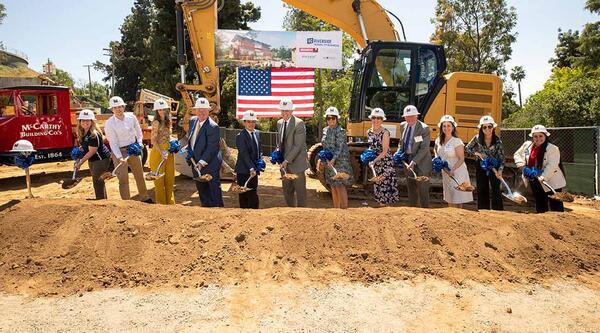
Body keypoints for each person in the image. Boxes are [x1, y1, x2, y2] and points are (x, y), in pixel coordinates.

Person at [104, 96, 152, 203]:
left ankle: (145, 197)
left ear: (123, 107)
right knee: (123, 179)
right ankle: (126, 202)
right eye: (115, 108)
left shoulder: (131, 117)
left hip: (133, 149)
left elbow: (139, 132)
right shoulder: (109, 123)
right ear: (112, 109)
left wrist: (139, 143)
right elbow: (113, 143)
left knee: (139, 175)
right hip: (119, 151)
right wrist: (120, 157)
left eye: (120, 106)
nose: (118, 109)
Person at [514, 125, 566, 213]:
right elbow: (517, 155)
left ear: (545, 136)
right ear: (532, 137)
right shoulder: (527, 145)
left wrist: (542, 177)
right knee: (540, 202)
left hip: (551, 182)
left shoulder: (552, 149)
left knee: (556, 206)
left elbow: (552, 165)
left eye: (541, 136)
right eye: (535, 136)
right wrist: (523, 167)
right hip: (534, 179)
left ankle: (559, 223)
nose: (538, 139)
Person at [188, 97, 224, 207]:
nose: (201, 112)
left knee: (214, 193)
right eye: (199, 109)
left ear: (209, 111)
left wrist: (201, 162)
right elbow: (192, 139)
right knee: (202, 192)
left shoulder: (213, 127)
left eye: (204, 109)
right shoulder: (193, 121)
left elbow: (211, 148)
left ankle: (218, 214)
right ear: (195, 110)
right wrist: (189, 150)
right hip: (196, 164)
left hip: (210, 165)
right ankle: (206, 214)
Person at [465, 115, 505, 211]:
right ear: (481, 128)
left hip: (494, 166)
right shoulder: (477, 138)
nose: (487, 129)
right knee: (482, 188)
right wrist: (478, 154)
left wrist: (500, 170)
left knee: (496, 189)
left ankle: (498, 211)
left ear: (493, 127)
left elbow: (502, 158)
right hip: (481, 166)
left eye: (490, 126)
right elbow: (467, 148)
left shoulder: (498, 141)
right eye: (484, 127)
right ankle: (483, 210)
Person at [277, 98, 309, 207]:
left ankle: (302, 214)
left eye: (287, 110)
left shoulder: (299, 123)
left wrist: (286, 160)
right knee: (287, 191)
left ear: (292, 111)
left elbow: (297, 146)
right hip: (284, 164)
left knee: (300, 192)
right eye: (283, 110)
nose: (285, 113)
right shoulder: (279, 123)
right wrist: (277, 153)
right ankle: (290, 212)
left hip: (297, 164)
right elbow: (280, 142)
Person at [435, 115, 473, 208]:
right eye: (444, 126)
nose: (446, 128)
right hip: (446, 172)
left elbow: (461, 158)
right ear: (441, 127)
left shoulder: (457, 141)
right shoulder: (438, 140)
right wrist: (437, 160)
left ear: (453, 127)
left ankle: (458, 217)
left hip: (457, 172)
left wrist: (452, 170)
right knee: (449, 196)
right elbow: (436, 151)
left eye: (449, 125)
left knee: (458, 197)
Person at [397, 105, 431, 208]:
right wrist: (399, 152)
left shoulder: (424, 128)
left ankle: (425, 213)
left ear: (417, 116)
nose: (410, 118)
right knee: (411, 189)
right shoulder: (403, 125)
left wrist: (414, 161)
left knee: (423, 190)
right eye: (407, 116)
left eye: (412, 116)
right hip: (408, 161)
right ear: (404, 117)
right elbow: (401, 143)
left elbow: (424, 148)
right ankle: (413, 212)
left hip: (422, 162)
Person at [321, 106, 354, 209]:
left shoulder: (341, 131)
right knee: (333, 185)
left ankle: (344, 209)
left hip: (340, 161)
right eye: (328, 118)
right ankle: (336, 210)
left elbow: (339, 148)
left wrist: (333, 159)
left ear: (337, 119)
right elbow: (324, 145)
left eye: (333, 118)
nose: (331, 120)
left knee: (340, 185)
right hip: (329, 161)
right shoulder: (325, 130)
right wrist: (324, 158)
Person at [74, 109, 111, 200]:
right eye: (83, 120)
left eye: (88, 120)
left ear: (92, 121)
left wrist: (81, 162)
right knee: (98, 180)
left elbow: (92, 151)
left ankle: (101, 201)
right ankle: (102, 199)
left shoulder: (94, 134)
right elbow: (85, 148)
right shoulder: (83, 133)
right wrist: (78, 155)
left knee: (97, 180)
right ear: (80, 121)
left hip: (101, 159)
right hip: (93, 160)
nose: (85, 122)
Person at [367, 108, 399, 207]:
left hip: (386, 164)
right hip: (376, 164)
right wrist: (368, 156)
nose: (376, 120)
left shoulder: (385, 133)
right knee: (379, 188)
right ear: (371, 119)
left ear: (382, 120)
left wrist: (374, 160)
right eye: (374, 118)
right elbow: (371, 146)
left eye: (379, 118)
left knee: (385, 188)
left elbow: (385, 151)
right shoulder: (368, 132)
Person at [149, 98, 175, 205]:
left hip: (169, 152)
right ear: (156, 111)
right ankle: (161, 205)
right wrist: (161, 152)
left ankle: (170, 203)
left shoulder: (168, 121)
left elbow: (168, 136)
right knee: (159, 181)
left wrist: (174, 142)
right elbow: (153, 140)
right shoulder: (155, 122)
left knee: (170, 179)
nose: (161, 111)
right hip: (158, 152)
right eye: (159, 110)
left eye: (163, 109)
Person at [235, 110, 261, 209]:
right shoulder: (240, 136)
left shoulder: (257, 133)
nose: (251, 124)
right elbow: (244, 154)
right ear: (244, 122)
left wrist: (260, 160)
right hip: (243, 170)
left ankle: (254, 218)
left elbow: (259, 149)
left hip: (254, 169)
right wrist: (251, 168)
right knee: (244, 195)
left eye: (253, 121)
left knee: (253, 192)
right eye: (249, 121)